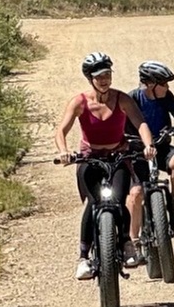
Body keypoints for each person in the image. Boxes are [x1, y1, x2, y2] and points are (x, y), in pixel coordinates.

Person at [55, 52, 153, 278]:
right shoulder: (79, 102)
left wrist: (148, 145)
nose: (105, 80)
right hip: (89, 159)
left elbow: (141, 124)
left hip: (118, 157)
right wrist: (64, 152)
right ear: (90, 78)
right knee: (93, 202)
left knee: (119, 200)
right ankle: (83, 257)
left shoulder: (122, 99)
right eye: (100, 76)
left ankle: (127, 243)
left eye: (108, 74)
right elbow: (61, 130)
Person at [130, 60, 174, 226]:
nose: (167, 87)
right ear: (150, 84)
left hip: (162, 146)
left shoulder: (166, 96)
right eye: (163, 83)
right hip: (138, 152)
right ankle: (130, 234)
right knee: (136, 191)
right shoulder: (132, 98)